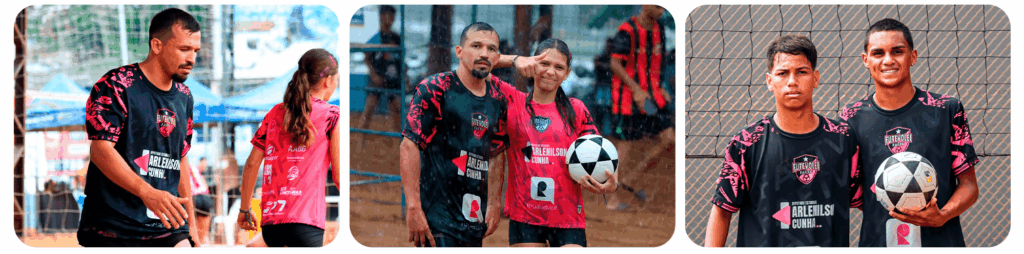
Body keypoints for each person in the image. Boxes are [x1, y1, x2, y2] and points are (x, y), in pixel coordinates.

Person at [704, 35, 861, 247]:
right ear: (770, 81)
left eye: (801, 72)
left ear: (816, 78)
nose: (792, 82)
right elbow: (722, 212)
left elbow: (865, 202)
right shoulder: (746, 142)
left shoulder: (843, 138)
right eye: (783, 73)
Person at [840, 18, 979, 247]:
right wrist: (895, 196)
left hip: (942, 242)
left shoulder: (946, 109)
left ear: (912, 57)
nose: (888, 60)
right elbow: (854, 194)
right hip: (878, 242)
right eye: (878, 53)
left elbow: (969, 186)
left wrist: (942, 215)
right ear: (866, 60)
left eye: (897, 51)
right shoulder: (850, 117)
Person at [78, 7, 200, 247]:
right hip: (112, 225)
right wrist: (147, 192)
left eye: (195, 50)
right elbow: (101, 151)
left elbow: (181, 158)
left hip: (165, 225)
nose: (192, 59)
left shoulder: (184, 96)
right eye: (184, 49)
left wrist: (191, 226)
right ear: (156, 46)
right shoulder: (116, 84)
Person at [497, 38, 618, 247]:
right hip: (525, 217)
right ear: (532, 63)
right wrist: (515, 60)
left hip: (568, 218)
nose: (550, 72)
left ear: (567, 74)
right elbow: (477, 66)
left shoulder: (576, 109)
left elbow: (600, 152)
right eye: (544, 63)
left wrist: (611, 181)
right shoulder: (513, 102)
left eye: (559, 67)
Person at [400, 22, 510, 247]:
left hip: (473, 221)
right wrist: (413, 207)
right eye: (476, 46)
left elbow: (497, 153)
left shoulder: (498, 101)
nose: (483, 54)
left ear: (497, 57)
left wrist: (495, 204)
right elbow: (409, 145)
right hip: (437, 220)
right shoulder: (436, 88)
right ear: (459, 52)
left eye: (491, 49)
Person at [235, 48, 342, 247]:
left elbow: (251, 165)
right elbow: (339, 177)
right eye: (337, 79)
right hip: (307, 223)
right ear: (328, 81)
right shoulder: (333, 115)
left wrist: (244, 210)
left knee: (251, 247)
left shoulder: (274, 113)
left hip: (272, 224)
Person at [605, 5, 674, 210]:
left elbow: (656, 60)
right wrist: (636, 89)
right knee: (626, 147)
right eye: (657, 5)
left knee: (669, 139)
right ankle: (612, 198)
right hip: (629, 101)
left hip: (651, 99)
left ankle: (631, 179)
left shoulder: (659, 28)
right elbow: (615, 64)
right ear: (645, 5)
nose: (661, 8)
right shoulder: (627, 31)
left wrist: (660, 85)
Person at [357, 5, 403, 146]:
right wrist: (374, 74)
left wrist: (404, 77)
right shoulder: (376, 37)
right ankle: (361, 140)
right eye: (388, 15)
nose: (391, 19)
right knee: (369, 109)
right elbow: (367, 57)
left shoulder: (396, 37)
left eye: (393, 16)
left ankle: (397, 139)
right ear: (382, 16)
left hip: (393, 78)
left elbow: (400, 59)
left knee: (397, 108)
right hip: (377, 79)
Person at [190, 157, 214, 245]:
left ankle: (197, 244)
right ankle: (204, 240)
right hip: (205, 196)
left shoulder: (188, 167)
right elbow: (205, 186)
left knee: (194, 229)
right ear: (200, 162)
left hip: (194, 196)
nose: (205, 166)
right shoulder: (196, 169)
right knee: (204, 235)